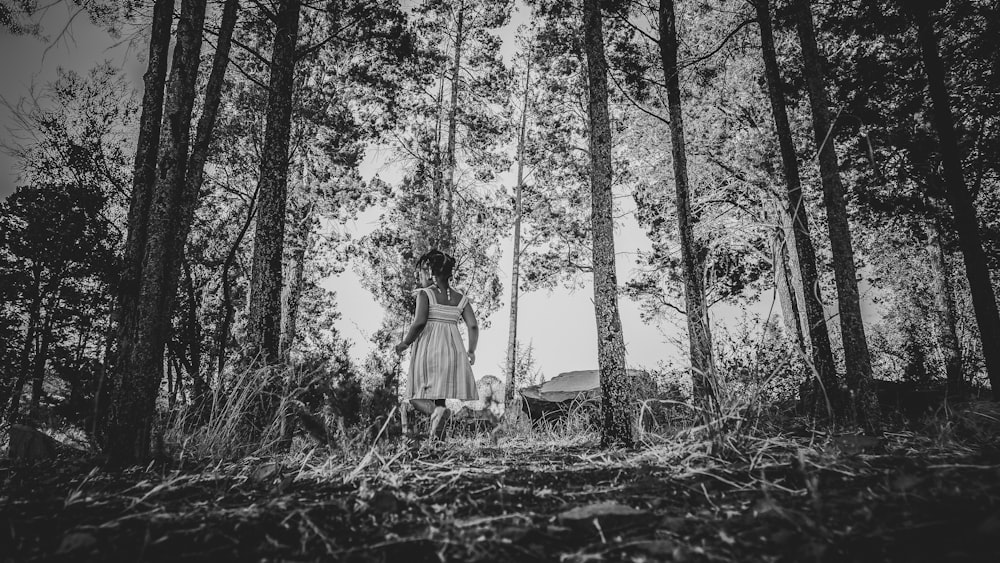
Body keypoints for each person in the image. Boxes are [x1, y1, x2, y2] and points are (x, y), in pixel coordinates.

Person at [394, 249, 479, 441]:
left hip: (429, 350)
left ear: (431, 273)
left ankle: (442, 416)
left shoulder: (425, 294)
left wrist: (405, 343)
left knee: (416, 396)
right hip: (453, 351)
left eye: (424, 270)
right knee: (440, 397)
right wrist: (471, 350)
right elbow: (473, 325)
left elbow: (419, 323)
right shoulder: (460, 298)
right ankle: (438, 440)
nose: (421, 274)